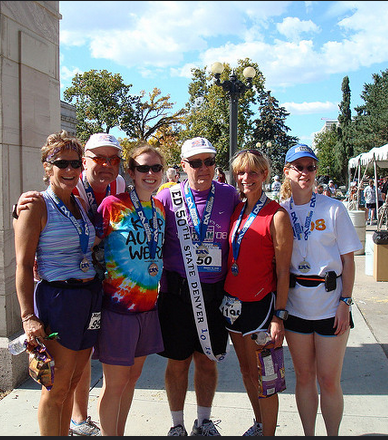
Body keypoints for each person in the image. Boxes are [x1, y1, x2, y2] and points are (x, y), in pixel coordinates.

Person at [14, 132, 125, 436]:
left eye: (75, 163)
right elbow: (23, 266)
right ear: (47, 166)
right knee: (55, 388)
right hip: (58, 299)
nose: (70, 169)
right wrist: (27, 317)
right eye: (61, 163)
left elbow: (89, 240)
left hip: (88, 297)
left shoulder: (77, 201)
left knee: (74, 381)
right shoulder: (36, 204)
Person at [155, 137, 240, 436]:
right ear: (183, 166)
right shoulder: (168, 198)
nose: (203, 168)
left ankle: (203, 421)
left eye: (208, 161)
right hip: (177, 294)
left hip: (214, 294)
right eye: (195, 162)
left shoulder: (230, 195)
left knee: (207, 362)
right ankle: (176, 425)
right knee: (177, 364)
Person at [280, 144, 362, 436]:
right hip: (296, 306)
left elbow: (348, 260)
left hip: (330, 305)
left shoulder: (333, 208)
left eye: (310, 167)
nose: (305, 173)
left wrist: (346, 302)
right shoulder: (281, 213)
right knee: (304, 377)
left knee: (329, 380)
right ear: (287, 171)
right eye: (298, 167)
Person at [94, 144, 166, 436]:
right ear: (131, 172)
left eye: (156, 168)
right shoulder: (113, 204)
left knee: (132, 379)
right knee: (115, 384)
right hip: (118, 309)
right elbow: (88, 241)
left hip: (148, 308)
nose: (150, 174)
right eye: (143, 168)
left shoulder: (160, 208)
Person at [221, 149, 293, 436]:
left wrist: (279, 317)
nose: (246, 178)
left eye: (252, 172)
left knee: (267, 378)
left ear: (264, 175)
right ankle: (260, 424)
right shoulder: (237, 210)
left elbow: (284, 272)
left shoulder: (277, 215)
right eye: (241, 172)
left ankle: (269, 434)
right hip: (233, 304)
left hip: (261, 308)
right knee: (247, 373)